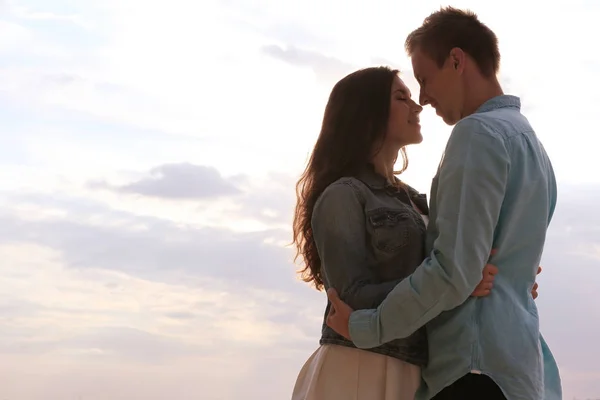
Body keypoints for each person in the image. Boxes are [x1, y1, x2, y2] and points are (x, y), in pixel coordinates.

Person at [325, 7, 562, 400]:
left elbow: (454, 272)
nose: (423, 97)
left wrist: (365, 327)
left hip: (473, 367)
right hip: (517, 368)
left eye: (423, 79)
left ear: (456, 61)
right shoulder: (534, 146)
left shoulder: (477, 135)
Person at [290, 66, 503, 400]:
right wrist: (454, 285)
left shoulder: (416, 200)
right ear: (367, 113)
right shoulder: (343, 194)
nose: (417, 105)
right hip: (359, 365)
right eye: (401, 97)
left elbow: (453, 267)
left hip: (417, 371)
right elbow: (348, 299)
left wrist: (502, 277)